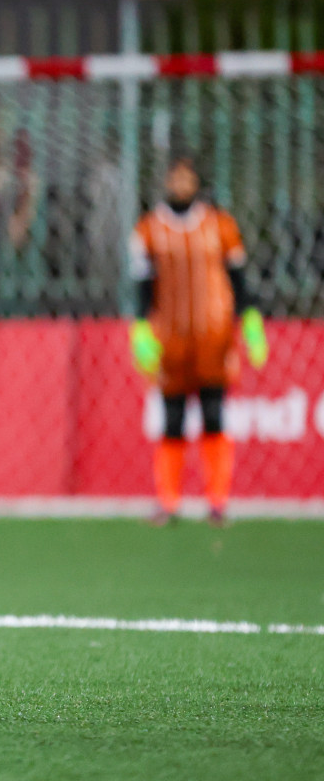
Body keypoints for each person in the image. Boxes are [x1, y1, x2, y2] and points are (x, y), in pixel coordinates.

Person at [129, 155, 268, 527]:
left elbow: (238, 279)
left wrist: (250, 319)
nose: (180, 185)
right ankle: (168, 501)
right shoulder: (148, 229)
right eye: (174, 178)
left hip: (214, 334)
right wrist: (141, 328)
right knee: (172, 418)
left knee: (213, 414)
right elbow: (142, 286)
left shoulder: (220, 225)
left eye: (187, 178)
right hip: (171, 338)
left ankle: (217, 501)